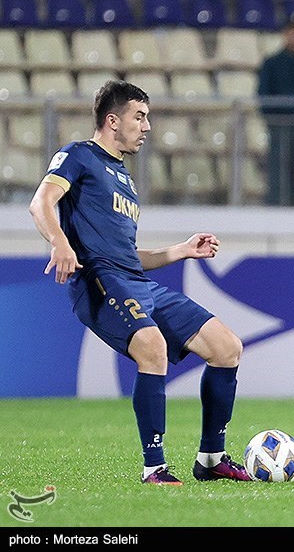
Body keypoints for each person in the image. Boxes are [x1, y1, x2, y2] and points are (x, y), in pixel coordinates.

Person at [28, 80, 251, 485]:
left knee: (226, 348)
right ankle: (155, 468)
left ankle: (211, 459)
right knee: (153, 347)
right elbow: (41, 201)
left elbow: (130, 256)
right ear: (112, 121)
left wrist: (180, 251)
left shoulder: (125, 180)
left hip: (135, 282)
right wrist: (59, 242)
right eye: (140, 116)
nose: (147, 126)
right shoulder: (79, 155)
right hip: (98, 280)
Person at [256, 15, 294, 205]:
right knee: (279, 164)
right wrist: (271, 117)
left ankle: (292, 200)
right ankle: (276, 202)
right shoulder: (272, 62)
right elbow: (264, 93)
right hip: (279, 123)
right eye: (292, 32)